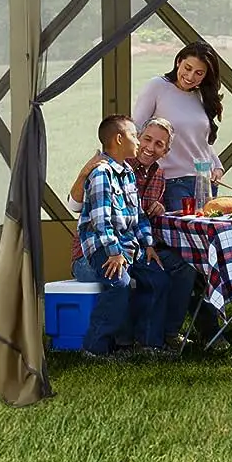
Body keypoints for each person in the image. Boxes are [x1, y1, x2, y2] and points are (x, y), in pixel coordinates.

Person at [67, 117, 197, 351]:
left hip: (130, 246)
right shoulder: (101, 171)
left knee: (162, 276)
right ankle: (99, 345)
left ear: (166, 151)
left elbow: (137, 215)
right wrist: (114, 252)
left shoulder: (138, 173)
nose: (145, 145)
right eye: (141, 137)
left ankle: (151, 342)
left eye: (159, 144)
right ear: (121, 139)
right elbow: (99, 221)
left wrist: (148, 244)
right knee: (121, 283)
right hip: (101, 250)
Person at [133, 41, 224, 213]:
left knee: (207, 237)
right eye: (187, 68)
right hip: (173, 182)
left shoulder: (201, 95)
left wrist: (217, 166)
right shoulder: (157, 86)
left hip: (206, 182)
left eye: (199, 73)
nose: (190, 77)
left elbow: (200, 140)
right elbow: (137, 129)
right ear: (178, 61)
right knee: (184, 237)